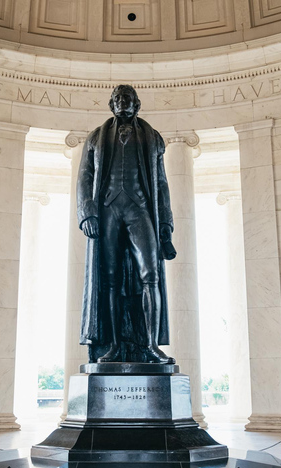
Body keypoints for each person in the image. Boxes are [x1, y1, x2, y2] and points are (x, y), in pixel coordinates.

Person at [76, 84, 177, 364]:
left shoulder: (152, 138)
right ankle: (114, 346)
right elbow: (85, 176)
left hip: (140, 209)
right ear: (111, 104)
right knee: (109, 280)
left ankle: (150, 346)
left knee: (150, 275)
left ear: (137, 104)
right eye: (117, 98)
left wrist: (166, 225)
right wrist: (87, 213)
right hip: (108, 210)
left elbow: (161, 183)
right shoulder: (96, 137)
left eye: (127, 98)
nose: (122, 102)